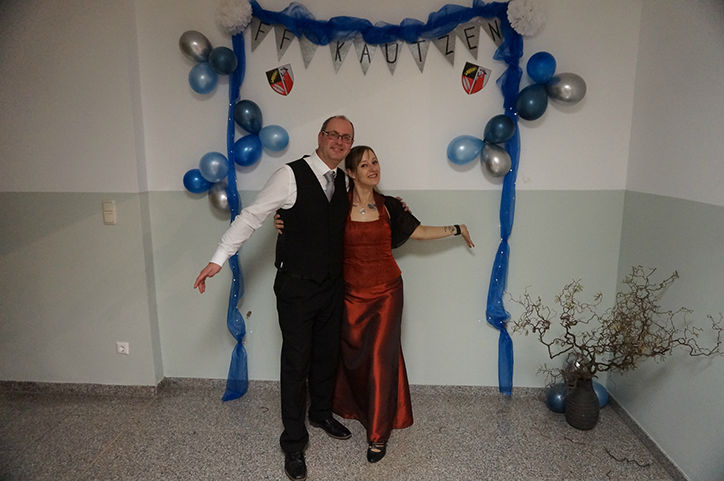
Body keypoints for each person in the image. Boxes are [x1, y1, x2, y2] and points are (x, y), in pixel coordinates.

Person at [275, 145, 474, 463]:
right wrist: (281, 220)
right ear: (350, 173)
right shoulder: (336, 206)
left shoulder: (390, 205)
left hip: (387, 294)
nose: (373, 168)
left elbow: (419, 232)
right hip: (348, 296)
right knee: (351, 357)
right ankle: (345, 408)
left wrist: (456, 229)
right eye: (364, 164)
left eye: (375, 161)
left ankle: (378, 436)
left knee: (381, 359)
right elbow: (309, 228)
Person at [194, 115, 356, 481]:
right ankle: (294, 442)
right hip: (297, 287)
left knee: (326, 354)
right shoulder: (289, 175)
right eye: (333, 134)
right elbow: (252, 216)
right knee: (296, 363)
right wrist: (218, 258)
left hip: (332, 285)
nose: (339, 141)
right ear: (320, 136)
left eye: (346, 137)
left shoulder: (345, 181)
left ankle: (320, 413)